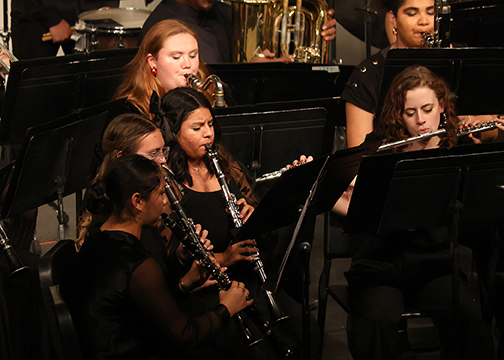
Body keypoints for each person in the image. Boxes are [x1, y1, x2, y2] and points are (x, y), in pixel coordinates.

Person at [335, 65, 496, 360]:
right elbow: (349, 204)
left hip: (433, 262)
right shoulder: (380, 148)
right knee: (375, 320)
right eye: (410, 112)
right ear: (399, 113)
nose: (421, 120)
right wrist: (327, 190)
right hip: (381, 264)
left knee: (468, 318)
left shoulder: (455, 148)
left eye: (427, 108)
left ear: (442, 106)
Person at [151, 86, 319, 359]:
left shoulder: (226, 167)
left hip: (247, 279)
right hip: (206, 292)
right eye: (197, 128)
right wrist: (225, 257)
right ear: (173, 133)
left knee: (304, 329)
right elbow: (171, 259)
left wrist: (255, 216)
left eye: (210, 124)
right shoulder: (166, 184)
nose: (208, 133)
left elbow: (261, 231)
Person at [72, 154, 253, 359]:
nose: (166, 201)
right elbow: (184, 335)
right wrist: (226, 308)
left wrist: (186, 284)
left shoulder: (95, 239)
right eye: (160, 194)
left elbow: (141, 308)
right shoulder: (139, 265)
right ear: (137, 202)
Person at [342, 0, 435, 148]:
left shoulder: (454, 60)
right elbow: (357, 156)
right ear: (393, 19)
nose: (424, 21)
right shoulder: (368, 74)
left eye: (430, 13)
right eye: (412, 13)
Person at [138, 0, 337, 63]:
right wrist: (248, 75)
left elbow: (276, 52)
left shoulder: (227, 12)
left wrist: (315, 31)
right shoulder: (160, 26)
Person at [113, 19, 213, 118]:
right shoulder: (131, 112)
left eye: (192, 56)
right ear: (152, 61)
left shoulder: (210, 96)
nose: (187, 64)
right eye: (176, 57)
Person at [10, 0, 119, 60]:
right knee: (34, 88)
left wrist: (108, 5)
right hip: (35, 16)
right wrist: (52, 19)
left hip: (90, 14)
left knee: (94, 88)